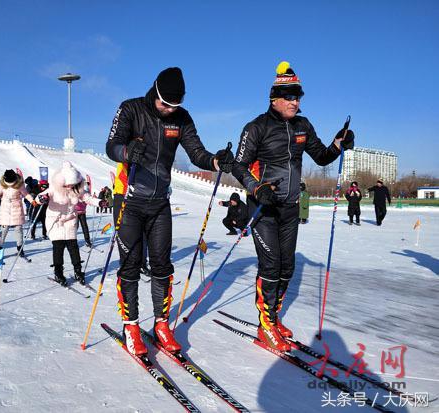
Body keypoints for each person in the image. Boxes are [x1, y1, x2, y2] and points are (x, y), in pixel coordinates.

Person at [106, 66, 234, 355]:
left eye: (174, 106)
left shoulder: (182, 118)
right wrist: (127, 153)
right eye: (164, 103)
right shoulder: (131, 109)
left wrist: (216, 161)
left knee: (162, 267)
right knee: (131, 265)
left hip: (160, 201)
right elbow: (111, 145)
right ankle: (132, 326)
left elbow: (197, 153)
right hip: (128, 199)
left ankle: (161, 325)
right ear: (155, 92)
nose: (167, 110)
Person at [231, 61, 355, 351]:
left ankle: (273, 317)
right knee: (271, 265)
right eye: (289, 96)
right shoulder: (256, 127)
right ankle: (265, 326)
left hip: (290, 208)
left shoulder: (303, 125)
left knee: (287, 267)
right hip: (263, 209)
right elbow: (238, 167)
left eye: (298, 96)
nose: (295, 101)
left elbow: (322, 157)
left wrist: (339, 142)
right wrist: (256, 188)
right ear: (274, 98)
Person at [33, 162, 102, 285]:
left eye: (73, 183)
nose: (70, 185)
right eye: (68, 183)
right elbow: (40, 196)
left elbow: (88, 198)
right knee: (58, 246)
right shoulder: (54, 188)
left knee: (73, 246)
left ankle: (78, 271)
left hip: (70, 219)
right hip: (55, 220)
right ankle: (58, 272)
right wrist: (41, 199)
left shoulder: (77, 188)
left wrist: (100, 202)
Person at [0, 169, 35, 257]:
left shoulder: (19, 185)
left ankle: (20, 249)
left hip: (17, 210)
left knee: (18, 230)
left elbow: (26, 194)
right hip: (6, 210)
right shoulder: (3, 184)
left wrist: (32, 201)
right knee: (3, 230)